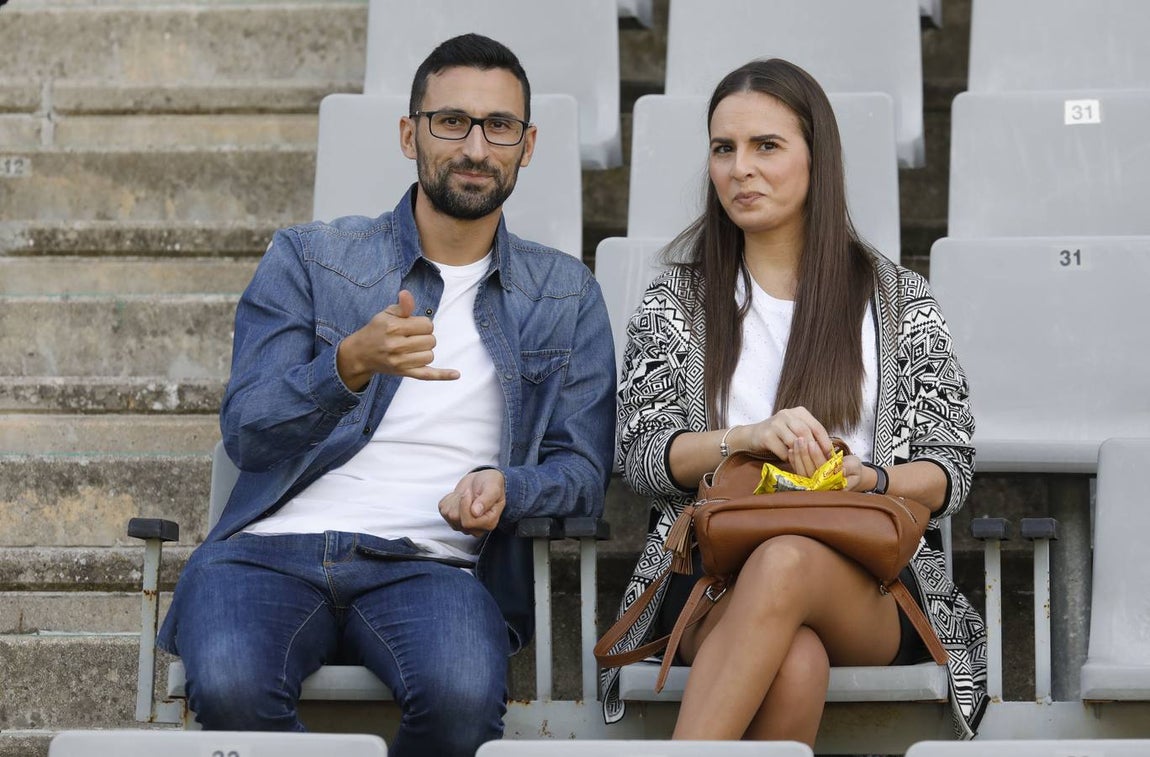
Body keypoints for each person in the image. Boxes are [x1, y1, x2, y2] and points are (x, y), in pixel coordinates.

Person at [157, 33, 616, 757]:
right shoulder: (309, 257)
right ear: (411, 133)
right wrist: (345, 366)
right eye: (451, 121)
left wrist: (508, 485)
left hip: (430, 561)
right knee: (233, 685)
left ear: (527, 147)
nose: (474, 146)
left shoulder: (565, 293)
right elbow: (248, 429)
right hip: (267, 554)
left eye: (499, 127)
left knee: (463, 698)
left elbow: (584, 473)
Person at [599, 58, 987, 743]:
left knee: (786, 558)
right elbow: (643, 456)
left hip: (868, 581)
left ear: (817, 158)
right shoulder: (675, 303)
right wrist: (742, 438)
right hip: (713, 573)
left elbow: (948, 471)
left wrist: (870, 478)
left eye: (766, 146)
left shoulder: (902, 303)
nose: (740, 168)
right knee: (796, 664)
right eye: (724, 148)